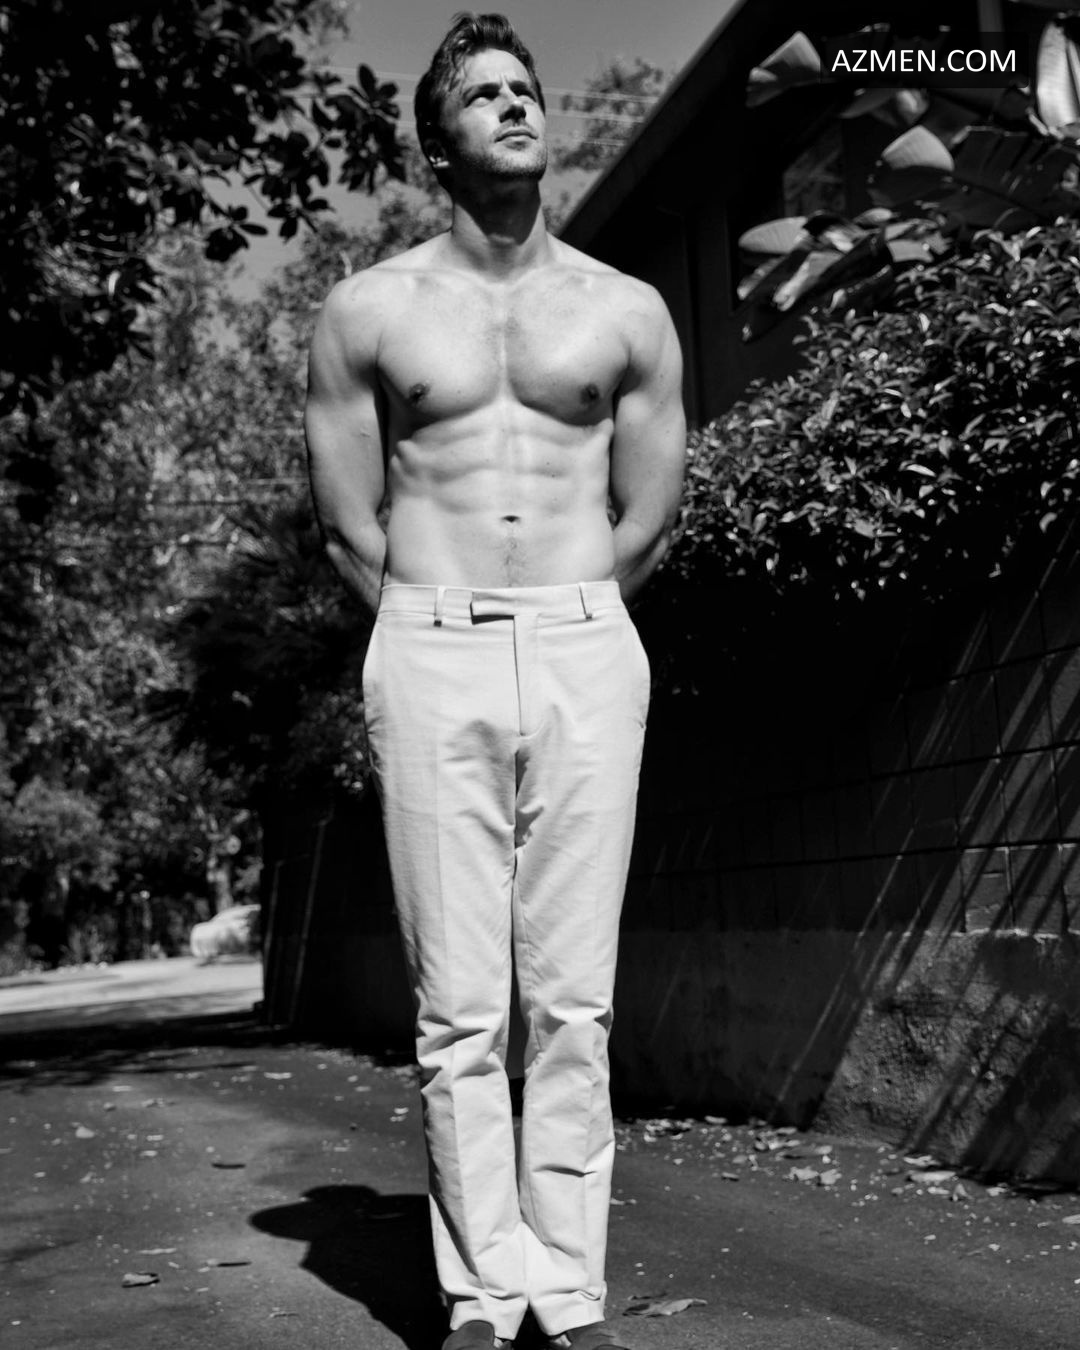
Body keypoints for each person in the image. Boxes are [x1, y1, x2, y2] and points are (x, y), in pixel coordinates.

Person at [304, 13, 685, 1350]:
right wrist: (438, 626)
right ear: (437, 143)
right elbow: (347, 519)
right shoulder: (369, 311)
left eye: (527, 87)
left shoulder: (625, 309)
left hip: (584, 639)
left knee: (574, 1000)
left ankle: (565, 1295)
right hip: (431, 641)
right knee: (459, 1008)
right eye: (485, 94)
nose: (518, 104)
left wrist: (564, 614)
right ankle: (483, 1294)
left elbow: (649, 509)